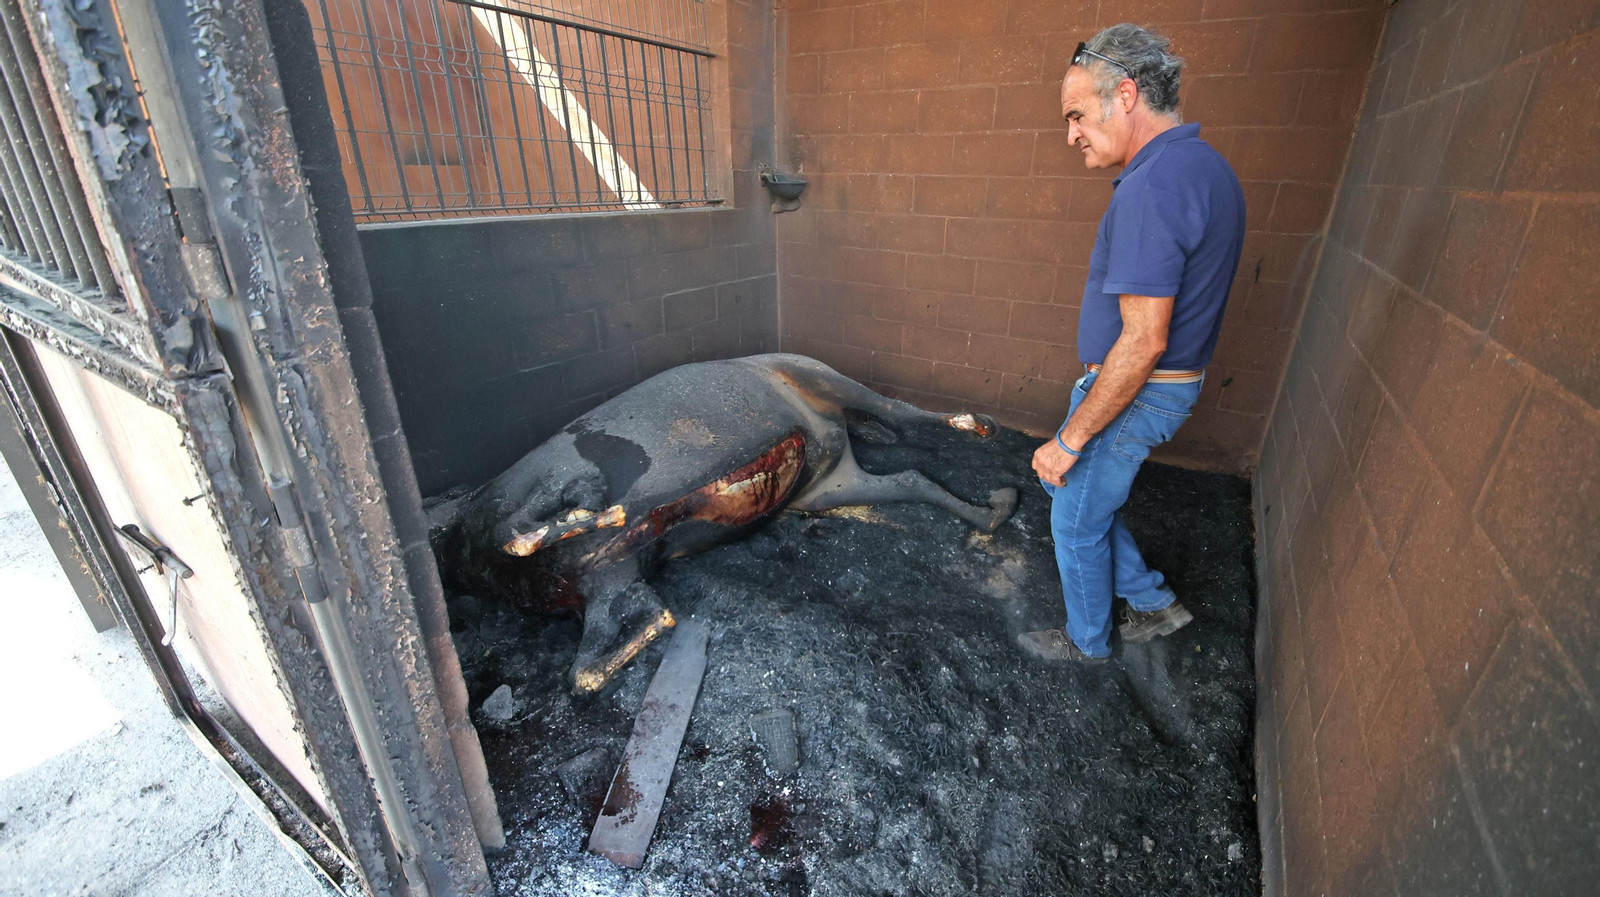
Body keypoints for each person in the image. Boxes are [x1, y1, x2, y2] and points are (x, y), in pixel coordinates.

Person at [1018, 24, 1246, 664]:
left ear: (1125, 94)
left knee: (1072, 517)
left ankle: (1088, 645)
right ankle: (1151, 601)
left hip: (1140, 392)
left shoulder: (1156, 184)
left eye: (1077, 115)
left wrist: (1069, 438)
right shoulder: (1201, 167)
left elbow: (1144, 341)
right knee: (1083, 498)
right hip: (1158, 390)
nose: (1071, 135)